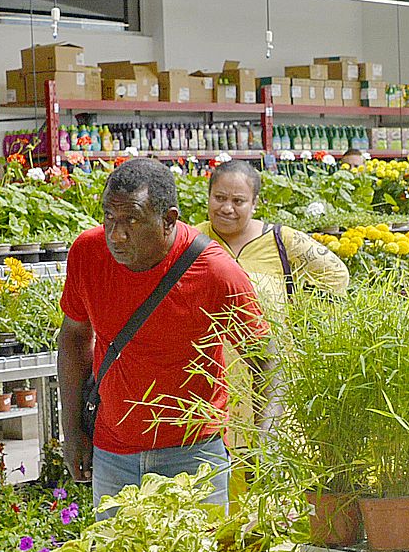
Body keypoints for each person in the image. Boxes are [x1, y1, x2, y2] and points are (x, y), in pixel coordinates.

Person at [59, 158, 266, 511]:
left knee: (200, 549)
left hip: (194, 455)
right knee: (115, 550)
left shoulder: (214, 270)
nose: (116, 234)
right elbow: (73, 337)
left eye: (132, 220)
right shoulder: (88, 252)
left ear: (169, 220)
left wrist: (266, 438)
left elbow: (265, 358)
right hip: (112, 454)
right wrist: (72, 430)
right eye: (109, 217)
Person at [197, 158, 350, 311]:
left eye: (238, 201)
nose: (227, 209)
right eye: (219, 198)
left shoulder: (282, 239)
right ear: (209, 196)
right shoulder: (194, 238)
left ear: (254, 203)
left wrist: (302, 312)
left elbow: (336, 273)